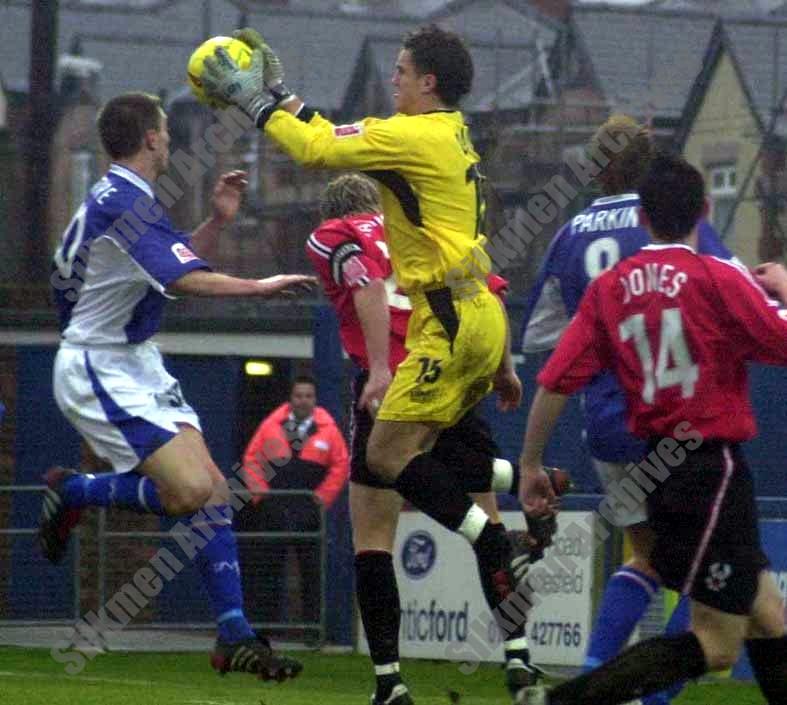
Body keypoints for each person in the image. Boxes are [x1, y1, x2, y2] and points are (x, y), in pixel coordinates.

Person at [202, 25, 540, 704]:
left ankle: (483, 548)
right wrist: (282, 95)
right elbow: (338, 131)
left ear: (428, 84)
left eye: (402, 70)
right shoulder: (450, 133)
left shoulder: (401, 147)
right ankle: (513, 515)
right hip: (477, 314)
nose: (393, 80)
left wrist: (249, 99)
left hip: (436, 326)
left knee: (385, 457)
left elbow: (319, 146)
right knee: (440, 462)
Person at [41, 92, 314, 681]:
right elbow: (187, 280)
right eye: (165, 129)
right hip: (100, 365)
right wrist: (261, 287)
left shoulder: (130, 201)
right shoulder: (121, 201)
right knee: (191, 490)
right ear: (151, 139)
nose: (169, 138)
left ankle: (234, 633)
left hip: (134, 359)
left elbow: (172, 268)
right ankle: (78, 492)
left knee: (210, 492)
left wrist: (216, 223)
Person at [517, 152, 787, 705]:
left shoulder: (610, 290)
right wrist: (782, 287)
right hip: (713, 468)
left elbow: (555, 382)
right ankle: (564, 701)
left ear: (642, 219)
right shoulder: (716, 277)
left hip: (660, 462)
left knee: (767, 615)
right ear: (706, 211)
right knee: (716, 646)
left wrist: (529, 465)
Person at [305, 173, 548, 705]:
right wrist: (505, 370)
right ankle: (520, 656)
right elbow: (491, 295)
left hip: (394, 380)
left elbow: (367, 284)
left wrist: (374, 369)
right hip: (457, 372)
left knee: (372, 535)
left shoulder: (334, 234)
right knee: (487, 507)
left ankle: (390, 681)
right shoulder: (423, 225)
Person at [235, 375, 349, 633]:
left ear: (315, 399)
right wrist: (260, 494)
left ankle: (312, 630)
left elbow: (341, 464)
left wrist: (322, 498)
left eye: (308, 396)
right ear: (291, 398)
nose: (303, 401)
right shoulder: (271, 426)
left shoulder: (329, 431)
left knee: (311, 571)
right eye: (299, 396)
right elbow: (252, 458)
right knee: (269, 569)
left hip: (308, 510)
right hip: (274, 507)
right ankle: (265, 628)